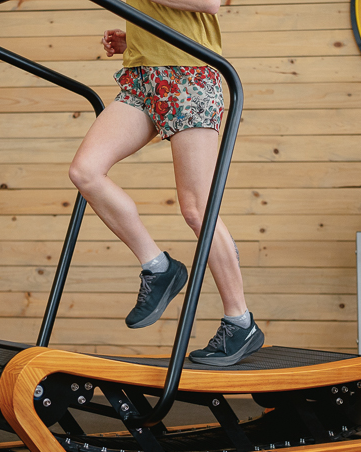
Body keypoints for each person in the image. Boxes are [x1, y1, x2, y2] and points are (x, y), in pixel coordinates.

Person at [68, 0, 263, 366]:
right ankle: (158, 267)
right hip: (143, 80)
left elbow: (208, 3)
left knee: (197, 209)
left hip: (189, 77)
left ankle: (241, 321)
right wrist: (137, 40)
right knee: (85, 172)